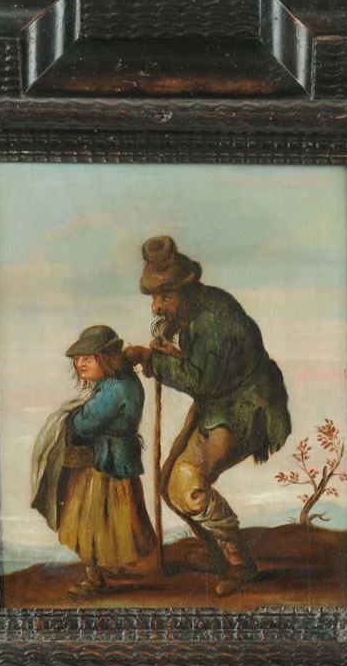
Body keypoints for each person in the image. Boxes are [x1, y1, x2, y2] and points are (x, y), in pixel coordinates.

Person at [124, 236, 291, 597]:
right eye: (154, 297)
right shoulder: (198, 309)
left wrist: (151, 359)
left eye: (162, 297)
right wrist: (171, 354)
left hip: (247, 408)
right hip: (220, 403)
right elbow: (205, 367)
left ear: (182, 292)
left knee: (185, 485)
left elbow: (203, 379)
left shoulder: (213, 317)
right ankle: (220, 556)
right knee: (170, 483)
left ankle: (240, 564)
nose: (155, 307)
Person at [31, 325, 156, 597]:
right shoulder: (119, 381)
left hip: (103, 465)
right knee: (115, 521)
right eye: (77, 359)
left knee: (88, 521)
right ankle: (108, 567)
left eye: (87, 358)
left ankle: (95, 578)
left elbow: (85, 424)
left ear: (106, 358)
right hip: (118, 461)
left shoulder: (115, 387)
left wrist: (71, 417)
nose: (80, 364)